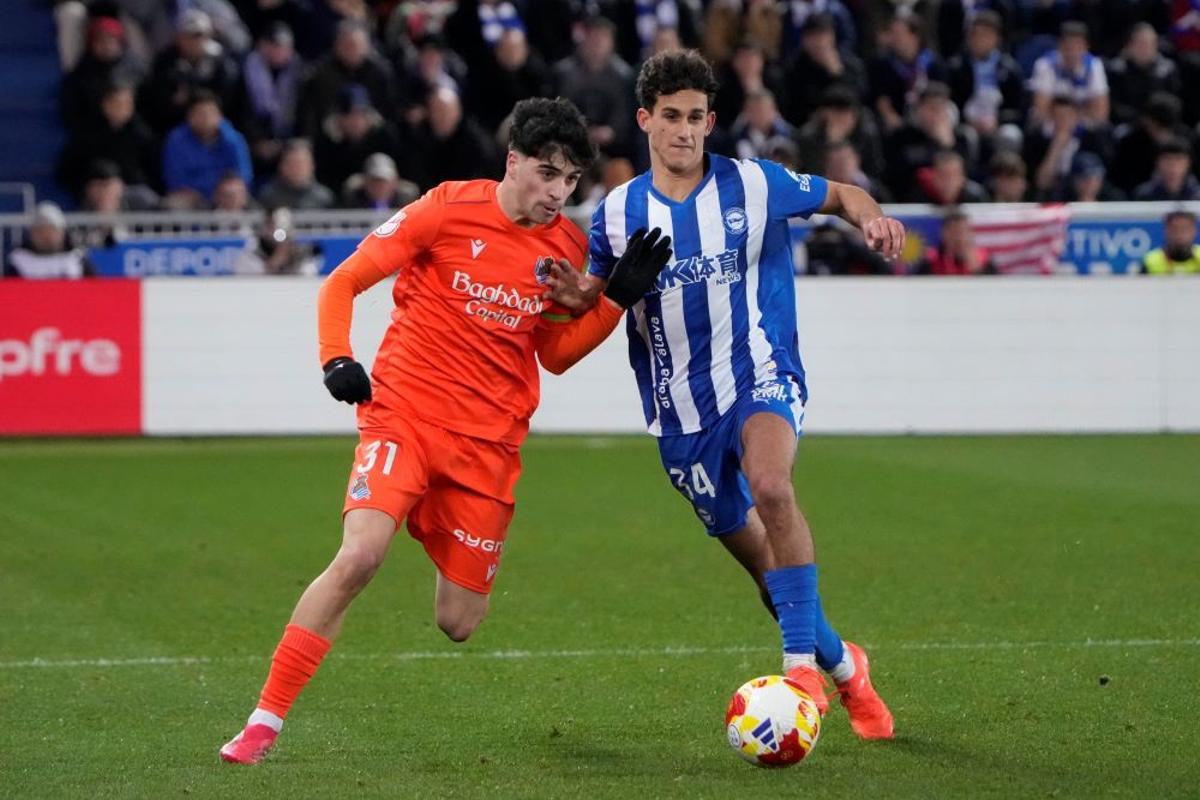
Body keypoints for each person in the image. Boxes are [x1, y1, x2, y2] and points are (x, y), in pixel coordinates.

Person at [217, 97, 672, 764]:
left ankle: (433, 515)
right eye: (547, 173)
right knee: (360, 556)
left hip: (486, 447)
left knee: (458, 623)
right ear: (512, 161)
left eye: (570, 180)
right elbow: (341, 283)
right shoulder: (445, 208)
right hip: (405, 414)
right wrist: (336, 358)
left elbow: (556, 354)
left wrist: (613, 300)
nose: (557, 192)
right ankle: (263, 722)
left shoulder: (565, 249)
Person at [551, 49, 899, 741]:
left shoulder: (754, 184)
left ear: (711, 121)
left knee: (773, 486)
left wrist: (871, 218)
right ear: (645, 119)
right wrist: (574, 295)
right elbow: (591, 299)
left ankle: (799, 669)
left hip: (761, 373)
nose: (683, 131)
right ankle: (845, 668)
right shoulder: (615, 214)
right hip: (680, 414)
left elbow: (842, 194)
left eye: (696, 118)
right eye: (670, 117)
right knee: (771, 581)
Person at [4, 203, 95, 279]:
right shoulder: (19, 261)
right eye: (40, 230)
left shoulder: (77, 259)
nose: (46, 236)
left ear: (62, 232)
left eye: (51, 230)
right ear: (31, 233)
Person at [1141, 209, 1200, 274]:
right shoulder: (1150, 261)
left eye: (1185, 229)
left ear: (1194, 231)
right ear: (1166, 230)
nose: (1179, 234)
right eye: (1175, 229)